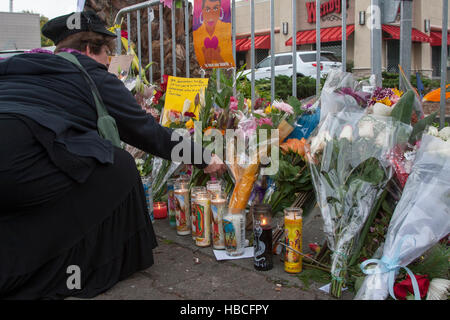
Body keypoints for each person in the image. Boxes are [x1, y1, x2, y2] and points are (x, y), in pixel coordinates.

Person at [0, 11, 225, 300]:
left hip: (16, 161)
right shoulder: (92, 76)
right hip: (18, 165)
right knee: (118, 166)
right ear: (91, 49)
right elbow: (147, 133)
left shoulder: (25, 66)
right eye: (108, 53)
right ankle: (72, 266)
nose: (110, 63)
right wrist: (203, 157)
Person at [193, 0, 234, 68]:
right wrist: (206, 61)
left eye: (215, 8)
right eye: (207, 9)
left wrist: (219, 58)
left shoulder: (226, 27)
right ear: (202, 11)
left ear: (220, 10)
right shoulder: (197, 32)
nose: (212, 13)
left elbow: (228, 68)